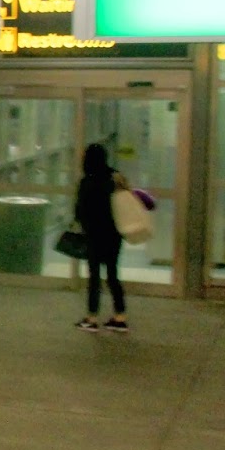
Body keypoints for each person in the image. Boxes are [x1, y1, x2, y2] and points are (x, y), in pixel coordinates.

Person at [74, 142, 127, 333]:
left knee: (94, 276)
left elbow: (80, 210)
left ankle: (92, 317)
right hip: (114, 233)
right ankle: (120, 317)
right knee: (113, 275)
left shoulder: (87, 181)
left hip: (94, 234)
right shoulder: (115, 177)